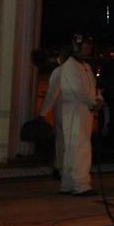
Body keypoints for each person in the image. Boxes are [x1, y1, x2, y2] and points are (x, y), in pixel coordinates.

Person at [55, 34, 102, 196]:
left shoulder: (85, 66)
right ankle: (81, 184)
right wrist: (93, 102)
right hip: (75, 112)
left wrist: (98, 99)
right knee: (79, 147)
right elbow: (78, 90)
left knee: (73, 147)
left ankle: (68, 183)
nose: (88, 48)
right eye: (86, 45)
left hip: (83, 111)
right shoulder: (70, 66)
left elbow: (93, 87)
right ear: (77, 46)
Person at [38, 46, 70, 180]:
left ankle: (60, 167)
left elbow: (52, 94)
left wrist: (43, 112)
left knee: (61, 141)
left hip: (62, 111)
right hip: (74, 112)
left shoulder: (59, 72)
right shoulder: (78, 71)